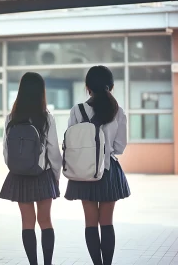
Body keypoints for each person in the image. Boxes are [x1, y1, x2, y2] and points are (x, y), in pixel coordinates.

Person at [64, 66, 130, 265]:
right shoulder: (118, 111)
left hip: (84, 172)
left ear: (88, 87)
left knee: (90, 222)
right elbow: (119, 147)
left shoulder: (77, 110)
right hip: (108, 170)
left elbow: (72, 143)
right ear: (110, 86)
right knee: (107, 222)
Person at [0, 72, 62, 265]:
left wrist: (16, 166)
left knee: (27, 223)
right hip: (42, 175)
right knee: (45, 221)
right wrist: (56, 176)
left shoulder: (12, 118)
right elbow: (54, 151)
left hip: (19, 175)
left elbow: (5, 150)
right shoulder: (46, 118)